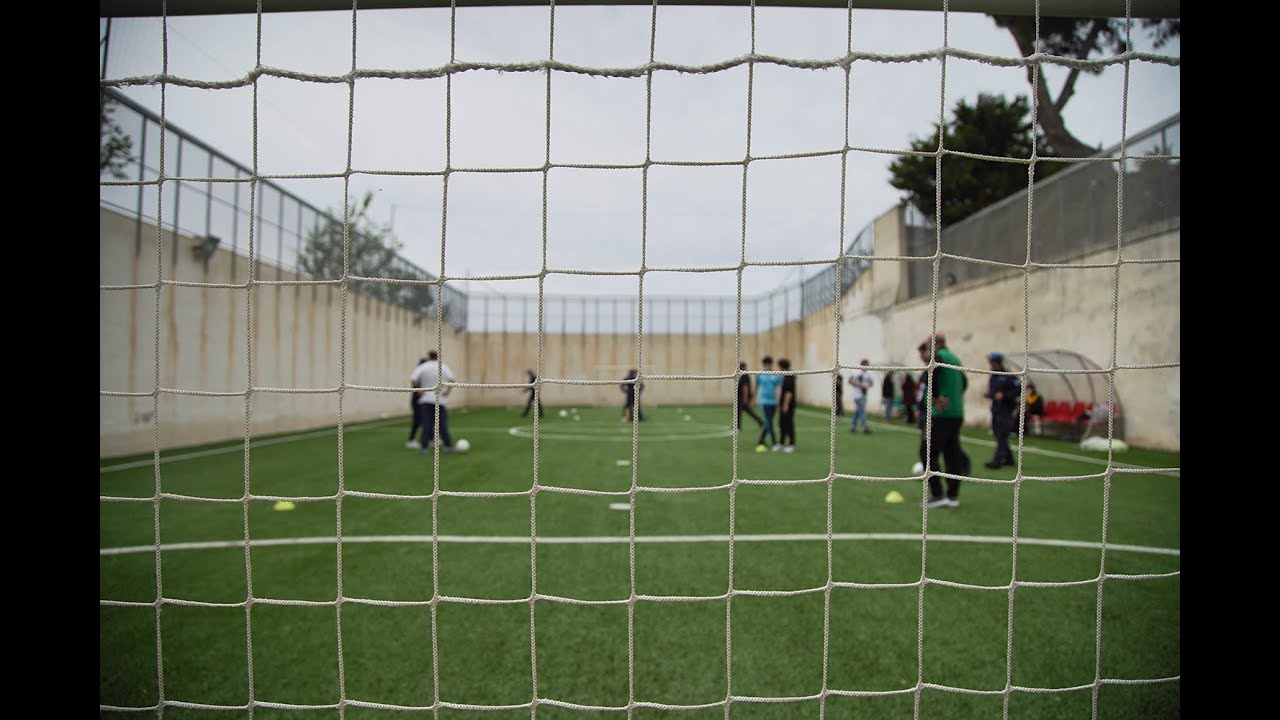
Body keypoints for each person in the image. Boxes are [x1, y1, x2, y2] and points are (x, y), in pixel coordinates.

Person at [918, 334, 971, 508]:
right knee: (952, 454)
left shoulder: (939, 357)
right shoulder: (955, 359)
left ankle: (938, 494)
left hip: (941, 415)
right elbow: (964, 382)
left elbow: (930, 374)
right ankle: (952, 496)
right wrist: (954, 397)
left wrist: (936, 397)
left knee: (927, 453)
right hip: (956, 413)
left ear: (935, 344)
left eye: (928, 347)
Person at [410, 350, 458, 454]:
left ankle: (424, 447)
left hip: (426, 400)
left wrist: (419, 391)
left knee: (427, 424)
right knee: (443, 425)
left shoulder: (423, 366)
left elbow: (413, 379)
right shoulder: (443, 366)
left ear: (428, 357)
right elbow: (452, 379)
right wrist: (447, 391)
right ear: (438, 357)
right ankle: (448, 446)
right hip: (439, 400)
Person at [983, 352, 1020, 469]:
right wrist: (990, 395)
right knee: (998, 433)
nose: (990, 364)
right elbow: (993, 391)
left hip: (1006, 410)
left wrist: (1004, 395)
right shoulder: (994, 376)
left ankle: (997, 460)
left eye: (992, 362)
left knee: (1001, 434)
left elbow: (1018, 390)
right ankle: (1009, 459)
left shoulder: (1009, 377)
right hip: (996, 409)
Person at [755, 355, 782, 451]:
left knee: (768, 422)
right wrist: (754, 398)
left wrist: (779, 401)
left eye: (768, 363)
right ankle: (775, 443)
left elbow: (779, 387)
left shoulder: (775, 374)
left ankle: (761, 440)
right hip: (764, 401)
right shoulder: (760, 374)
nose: (766, 365)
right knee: (769, 422)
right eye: (765, 364)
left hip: (773, 402)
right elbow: (756, 386)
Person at [736, 361, 766, 431]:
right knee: (745, 411)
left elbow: (745, 388)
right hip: (742, 397)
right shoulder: (745, 375)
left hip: (743, 398)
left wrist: (745, 399)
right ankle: (760, 422)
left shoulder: (745, 376)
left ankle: (737, 426)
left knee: (741, 411)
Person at [406, 355, 428, 449]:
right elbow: (413, 381)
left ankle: (429, 438)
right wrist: (419, 391)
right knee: (417, 420)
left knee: (427, 420)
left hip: (423, 400)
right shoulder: (419, 371)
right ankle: (411, 440)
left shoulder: (423, 372)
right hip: (417, 401)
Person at [847, 359, 873, 434]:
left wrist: (866, 386)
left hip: (864, 394)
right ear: (862, 365)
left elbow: (871, 383)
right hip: (857, 395)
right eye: (866, 365)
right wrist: (859, 385)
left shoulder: (868, 374)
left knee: (858, 411)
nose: (867, 366)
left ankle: (853, 426)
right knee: (862, 411)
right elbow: (849, 381)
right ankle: (865, 427)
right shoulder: (856, 372)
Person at [777, 358, 797, 453]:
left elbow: (789, 392)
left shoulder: (789, 375)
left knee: (788, 424)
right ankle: (781, 443)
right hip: (783, 403)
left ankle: (792, 444)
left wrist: (785, 404)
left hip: (788, 404)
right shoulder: (785, 375)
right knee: (782, 424)